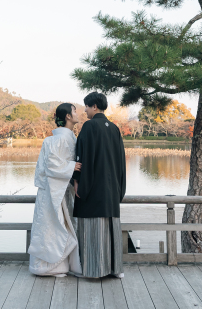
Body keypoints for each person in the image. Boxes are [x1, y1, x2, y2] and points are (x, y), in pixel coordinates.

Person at [72, 92, 126, 279]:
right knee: (111, 230)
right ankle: (115, 269)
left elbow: (82, 156)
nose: (85, 110)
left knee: (93, 230)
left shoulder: (89, 126)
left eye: (87, 106)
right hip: (112, 189)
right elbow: (121, 162)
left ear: (94, 106)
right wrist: (120, 188)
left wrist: (78, 181)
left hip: (94, 187)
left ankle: (95, 270)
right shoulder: (114, 128)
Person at [28, 103, 83, 276]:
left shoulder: (66, 138)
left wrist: (71, 169)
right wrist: (72, 166)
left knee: (60, 224)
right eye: (74, 111)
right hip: (53, 190)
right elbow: (51, 165)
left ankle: (60, 264)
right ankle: (49, 266)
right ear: (68, 116)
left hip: (62, 188)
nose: (77, 113)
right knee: (52, 225)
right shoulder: (57, 139)